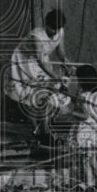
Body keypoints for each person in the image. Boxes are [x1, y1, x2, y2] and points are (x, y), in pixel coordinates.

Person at [5, 9, 73, 137]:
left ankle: (44, 127)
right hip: (25, 60)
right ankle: (37, 128)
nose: (55, 32)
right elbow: (41, 62)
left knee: (49, 90)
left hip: (40, 59)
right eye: (52, 29)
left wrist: (66, 62)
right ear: (46, 25)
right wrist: (55, 77)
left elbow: (60, 51)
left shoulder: (60, 31)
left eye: (57, 29)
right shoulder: (37, 36)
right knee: (32, 92)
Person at [66, 64, 97, 192]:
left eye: (78, 80)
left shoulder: (83, 97)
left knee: (89, 160)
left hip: (86, 131)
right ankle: (92, 184)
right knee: (91, 159)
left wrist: (70, 112)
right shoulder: (96, 95)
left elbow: (84, 116)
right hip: (95, 130)